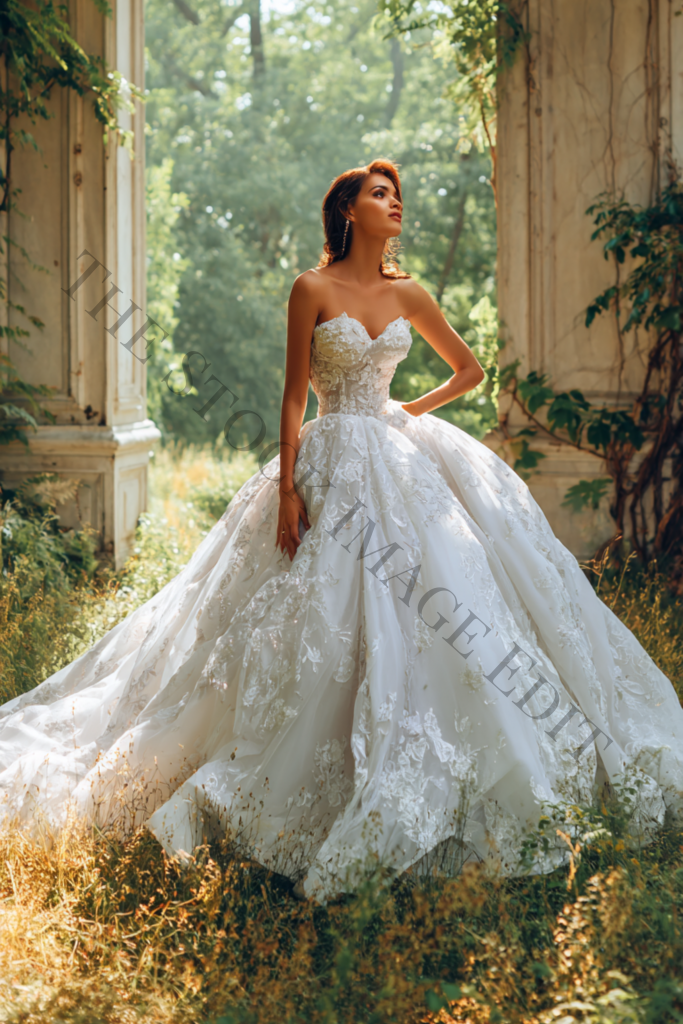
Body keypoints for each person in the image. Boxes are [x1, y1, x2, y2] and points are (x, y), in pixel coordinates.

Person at [0, 159, 681, 903]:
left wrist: (400, 417)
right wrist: (288, 489)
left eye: (398, 196)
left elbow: (468, 371)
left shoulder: (408, 293)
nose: (394, 206)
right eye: (380, 195)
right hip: (326, 459)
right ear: (348, 211)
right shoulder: (312, 289)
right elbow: (292, 396)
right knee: (311, 603)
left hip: (395, 456)